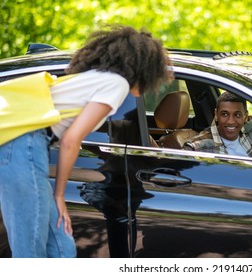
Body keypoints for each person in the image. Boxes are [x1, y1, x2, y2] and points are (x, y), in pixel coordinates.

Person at [0, 25, 172, 258]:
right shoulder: (117, 84)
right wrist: (59, 195)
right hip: (23, 143)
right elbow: (71, 140)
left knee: (63, 248)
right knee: (29, 250)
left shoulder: (101, 78)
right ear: (144, 67)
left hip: (26, 143)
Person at [183, 92, 252, 156]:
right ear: (216, 115)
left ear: (246, 116)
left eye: (237, 115)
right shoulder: (199, 145)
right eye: (224, 114)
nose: (230, 121)